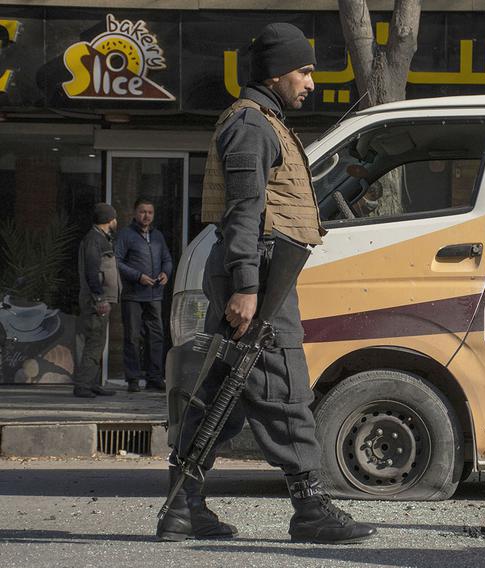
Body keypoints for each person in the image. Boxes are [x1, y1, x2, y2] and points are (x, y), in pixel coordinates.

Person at [157, 23, 376, 544]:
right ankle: (310, 509)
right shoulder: (252, 126)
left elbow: (273, 203)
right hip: (259, 274)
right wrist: (247, 286)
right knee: (284, 386)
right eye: (304, 71)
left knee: (220, 392)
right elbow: (244, 211)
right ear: (278, 72)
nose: (311, 82)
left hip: (260, 270)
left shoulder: (265, 122)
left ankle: (182, 509)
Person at [115, 198, 173, 393]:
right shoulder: (125, 234)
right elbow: (117, 261)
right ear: (134, 213)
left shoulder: (158, 236)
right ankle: (132, 379)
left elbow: (167, 259)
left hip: (155, 295)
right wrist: (138, 276)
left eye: (150, 212)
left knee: (156, 337)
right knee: (132, 337)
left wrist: (166, 272)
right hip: (133, 295)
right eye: (142, 212)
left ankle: (154, 377)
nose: (146, 215)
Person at [73, 203, 121, 398]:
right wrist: (100, 297)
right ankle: (83, 385)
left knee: (98, 342)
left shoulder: (100, 239)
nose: (116, 221)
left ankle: (92, 382)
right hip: (96, 301)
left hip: (99, 300)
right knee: (94, 342)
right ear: (110, 220)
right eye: (114, 218)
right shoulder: (94, 240)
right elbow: (92, 272)